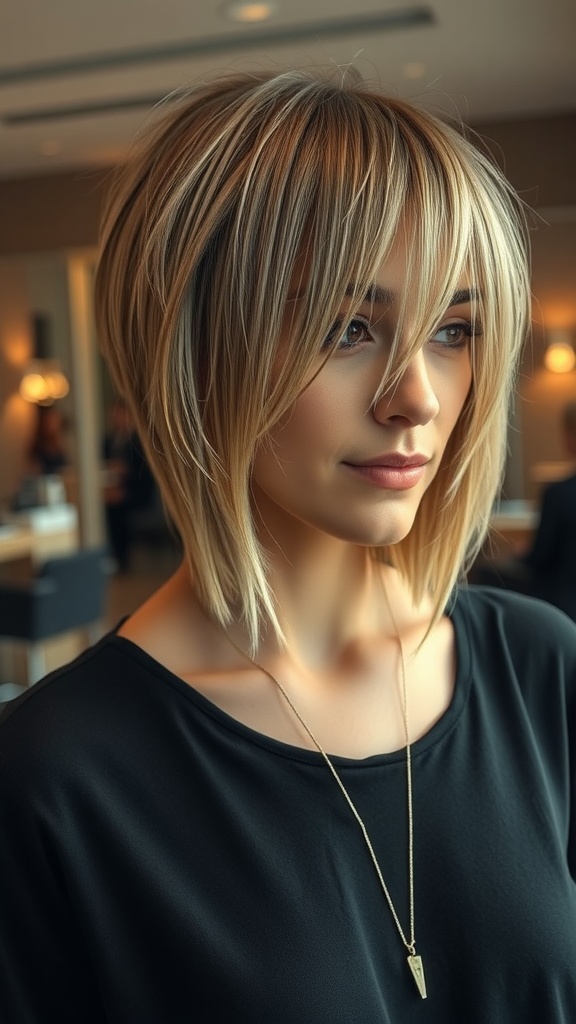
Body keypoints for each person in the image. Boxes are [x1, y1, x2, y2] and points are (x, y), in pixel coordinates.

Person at [0, 69, 574, 1023]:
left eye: (452, 329)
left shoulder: (541, 669)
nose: (418, 399)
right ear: (196, 344)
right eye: (349, 328)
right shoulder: (55, 780)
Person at [475, 398, 576, 619]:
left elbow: (540, 559)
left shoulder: (558, 494)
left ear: (569, 437)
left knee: (483, 571)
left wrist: (523, 553)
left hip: (561, 608)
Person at [102, 397, 156, 570]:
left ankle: (121, 558)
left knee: (116, 507)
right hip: (114, 489)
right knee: (105, 504)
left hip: (137, 492)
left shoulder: (140, 442)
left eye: (120, 413)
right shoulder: (108, 440)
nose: (116, 417)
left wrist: (126, 474)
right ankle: (109, 553)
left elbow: (147, 477)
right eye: (114, 413)